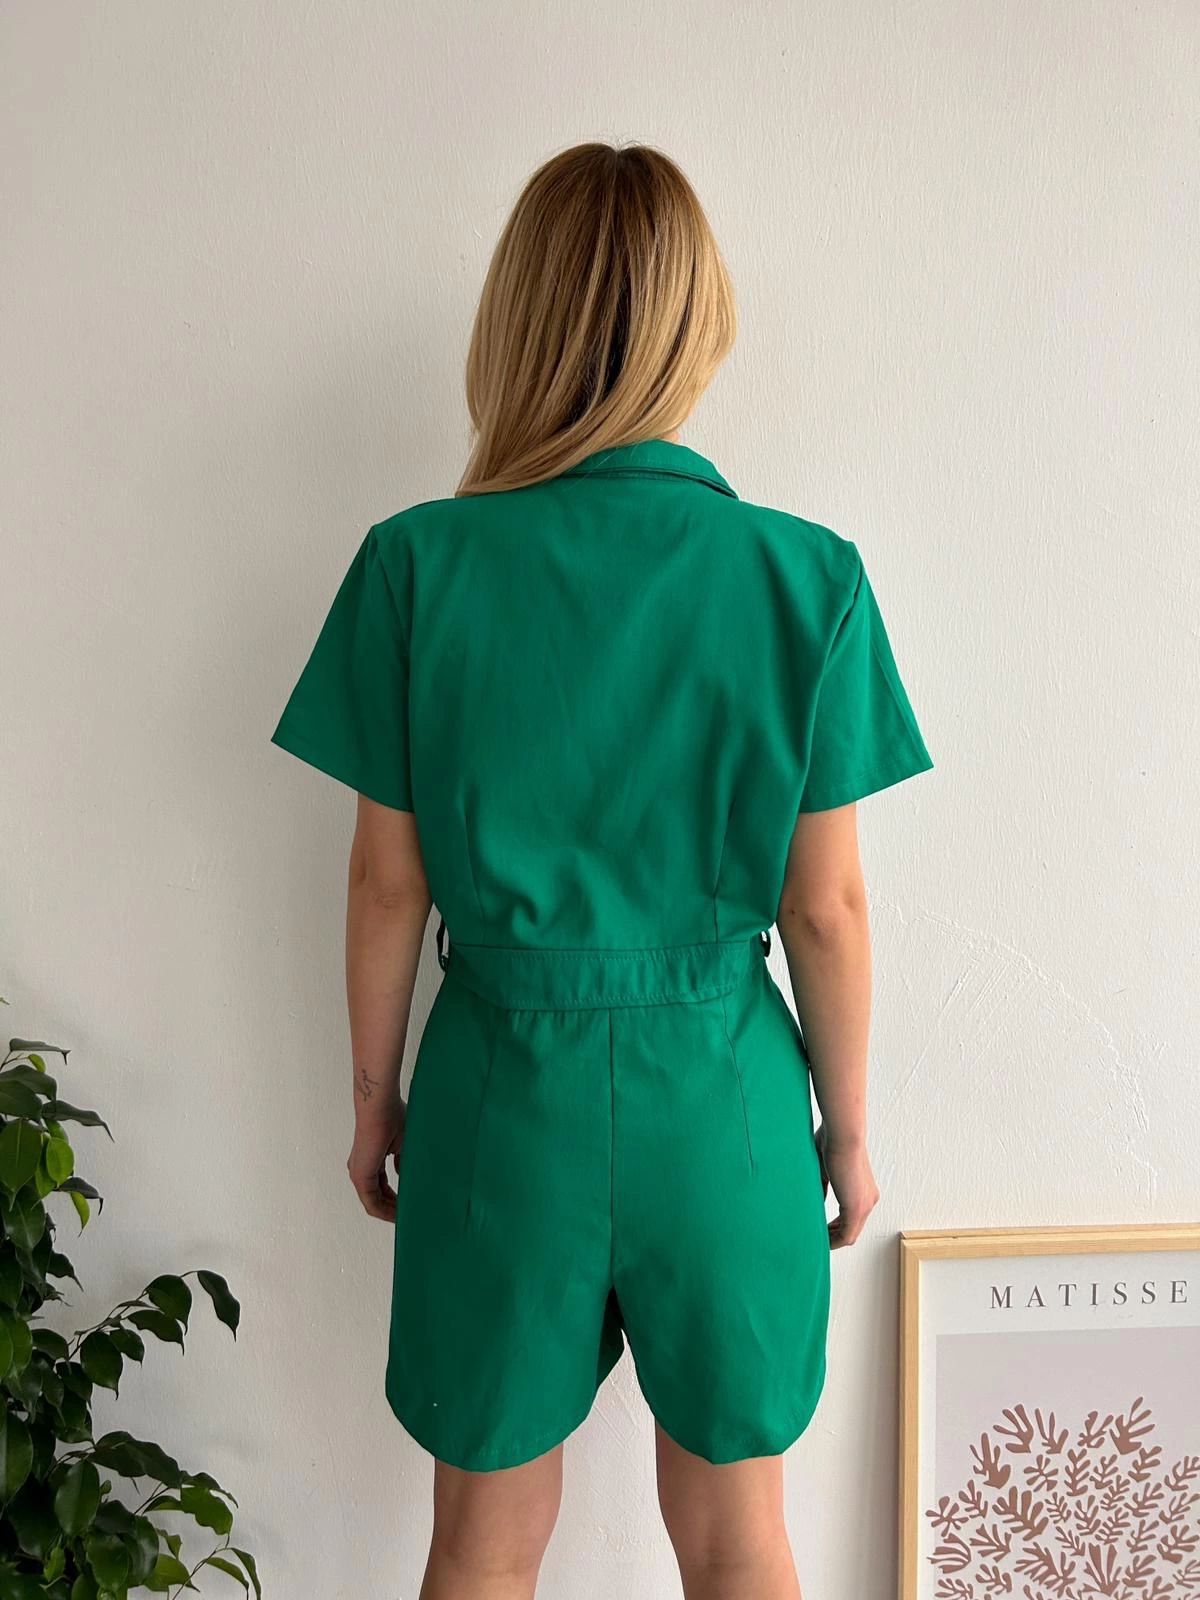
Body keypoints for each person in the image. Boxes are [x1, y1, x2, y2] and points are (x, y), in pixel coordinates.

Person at [269, 141, 933, 1600]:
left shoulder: (416, 567)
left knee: (481, 1546)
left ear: (517, 320)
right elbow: (825, 909)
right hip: (725, 1102)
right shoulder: (805, 576)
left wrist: (375, 1103)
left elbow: (387, 887)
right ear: (701, 326)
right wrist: (845, 1129)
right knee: (740, 1540)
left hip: (503, 1095)